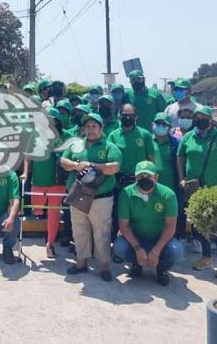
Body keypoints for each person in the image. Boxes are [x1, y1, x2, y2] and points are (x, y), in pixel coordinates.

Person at [177, 104, 217, 278]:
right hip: (194, 189)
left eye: (203, 118)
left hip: (214, 190)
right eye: (197, 118)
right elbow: (181, 157)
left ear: (211, 119)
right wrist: (182, 177)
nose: (199, 121)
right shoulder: (189, 137)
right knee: (199, 225)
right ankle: (206, 257)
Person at [60, 113, 122, 281]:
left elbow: (114, 167)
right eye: (87, 126)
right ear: (83, 129)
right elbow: (63, 162)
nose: (91, 129)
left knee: (101, 232)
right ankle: (81, 263)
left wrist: (93, 165)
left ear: (101, 128)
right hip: (78, 196)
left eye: (94, 126)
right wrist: (76, 165)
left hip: (101, 198)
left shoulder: (110, 146)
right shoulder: (75, 145)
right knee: (79, 230)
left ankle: (104, 266)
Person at [114, 161, 184, 286]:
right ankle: (137, 264)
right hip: (136, 238)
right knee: (119, 247)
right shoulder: (126, 193)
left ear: (156, 177)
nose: (144, 179)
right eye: (141, 176)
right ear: (135, 177)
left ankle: (161, 269)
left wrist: (156, 251)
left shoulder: (168, 195)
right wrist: (138, 248)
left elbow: (170, 227)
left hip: (159, 239)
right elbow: (124, 225)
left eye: (149, 176)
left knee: (177, 251)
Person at [20, 107, 72, 258]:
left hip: (58, 181)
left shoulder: (67, 136)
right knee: (37, 210)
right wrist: (25, 172)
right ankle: (48, 234)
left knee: (53, 213)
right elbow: (27, 156)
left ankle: (49, 243)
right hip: (39, 179)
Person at [107, 103, 155, 244]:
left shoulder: (144, 134)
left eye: (131, 115)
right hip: (117, 183)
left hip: (139, 183)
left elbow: (150, 159)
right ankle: (115, 245)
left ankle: (136, 245)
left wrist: (140, 177)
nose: (127, 117)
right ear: (119, 116)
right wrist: (118, 175)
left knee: (137, 216)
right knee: (116, 216)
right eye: (124, 114)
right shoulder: (113, 135)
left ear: (136, 117)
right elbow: (109, 158)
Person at [151, 112, 185, 239]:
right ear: (152, 124)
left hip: (171, 187)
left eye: (164, 124)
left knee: (172, 214)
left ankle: (175, 238)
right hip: (151, 187)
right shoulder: (147, 141)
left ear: (169, 127)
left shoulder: (176, 143)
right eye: (158, 123)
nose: (160, 126)